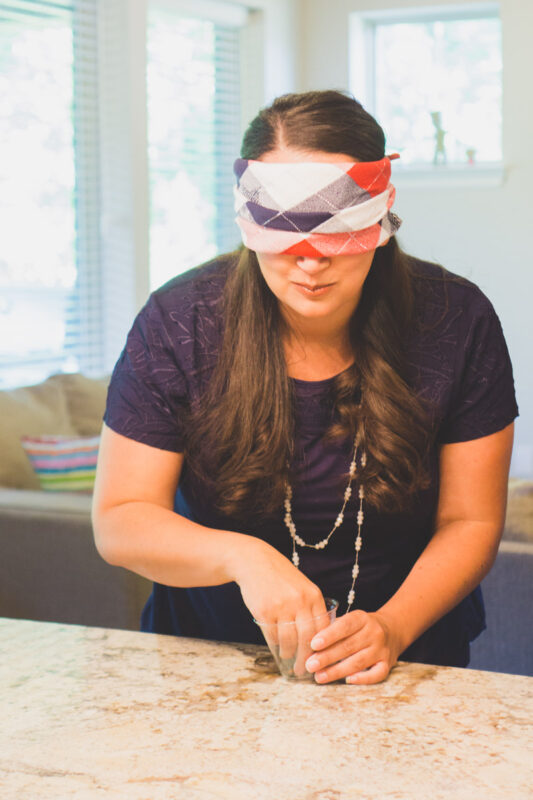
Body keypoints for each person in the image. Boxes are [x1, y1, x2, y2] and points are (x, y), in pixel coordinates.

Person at [92, 90, 518, 685]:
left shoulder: (457, 320)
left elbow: (471, 521)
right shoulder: (182, 321)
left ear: (382, 216)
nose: (310, 262)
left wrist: (392, 626)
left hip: (404, 661)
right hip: (207, 665)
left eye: (335, 231)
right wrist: (241, 557)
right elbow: (120, 518)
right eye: (284, 233)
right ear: (248, 223)